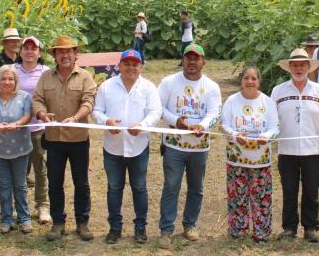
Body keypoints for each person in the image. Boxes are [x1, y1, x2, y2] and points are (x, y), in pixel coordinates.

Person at [92, 49, 162, 244]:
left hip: (138, 146)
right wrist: (107, 122)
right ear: (119, 66)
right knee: (114, 188)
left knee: (139, 188)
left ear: (141, 67)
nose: (131, 68)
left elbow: (155, 112)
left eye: (135, 64)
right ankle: (115, 227)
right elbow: (97, 111)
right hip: (113, 147)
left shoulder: (148, 88)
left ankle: (140, 228)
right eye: (127, 64)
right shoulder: (106, 86)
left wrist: (142, 126)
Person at [32, 36, 97, 242]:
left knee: (81, 182)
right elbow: (38, 100)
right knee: (55, 182)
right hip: (53, 139)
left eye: (69, 51)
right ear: (54, 55)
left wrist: (76, 118)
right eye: (61, 52)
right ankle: (58, 223)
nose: (65, 55)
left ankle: (82, 223)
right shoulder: (46, 77)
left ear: (75, 54)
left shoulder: (85, 77)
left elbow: (89, 101)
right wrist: (42, 114)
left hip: (78, 139)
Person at [158, 43, 222, 249]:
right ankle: (166, 229)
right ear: (183, 60)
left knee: (196, 188)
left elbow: (214, 113)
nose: (192, 62)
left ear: (203, 62)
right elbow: (158, 108)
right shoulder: (168, 82)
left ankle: (190, 224)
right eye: (188, 58)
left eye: (197, 58)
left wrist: (201, 125)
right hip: (174, 146)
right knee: (171, 186)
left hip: (199, 147)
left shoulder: (211, 87)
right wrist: (178, 122)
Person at [271, 48, 319, 243]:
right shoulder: (278, 91)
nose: (299, 68)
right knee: (289, 190)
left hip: (312, 150)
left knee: (311, 190)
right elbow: (272, 117)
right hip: (286, 151)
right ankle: (289, 228)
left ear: (308, 67)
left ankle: (310, 228)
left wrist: (311, 133)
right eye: (295, 65)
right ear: (289, 67)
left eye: (302, 65)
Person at [220, 66, 279, 242]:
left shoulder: (267, 102)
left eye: (254, 78)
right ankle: (238, 230)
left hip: (260, 160)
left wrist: (265, 137)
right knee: (237, 196)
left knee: (261, 197)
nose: (250, 82)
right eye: (246, 78)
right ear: (241, 81)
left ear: (259, 81)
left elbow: (275, 127)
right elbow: (224, 125)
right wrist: (236, 136)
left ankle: (261, 232)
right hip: (236, 159)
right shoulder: (232, 101)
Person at [0, 65, 33, 234]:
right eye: (3, 78)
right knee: (4, 185)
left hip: (20, 147)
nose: (7, 82)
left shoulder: (24, 97)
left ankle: (24, 218)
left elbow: (27, 116)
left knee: (20, 184)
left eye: (11, 79)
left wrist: (17, 124)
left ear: (16, 81)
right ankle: (6, 219)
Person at [14, 36, 51, 224]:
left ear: (39, 53)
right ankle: (19, 207)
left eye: (33, 48)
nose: (29, 51)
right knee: (19, 169)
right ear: (20, 52)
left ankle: (42, 205)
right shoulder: (11, 71)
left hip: (38, 127)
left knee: (41, 168)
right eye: (26, 48)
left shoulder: (46, 72)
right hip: (17, 127)